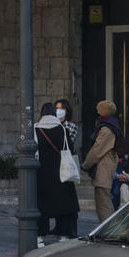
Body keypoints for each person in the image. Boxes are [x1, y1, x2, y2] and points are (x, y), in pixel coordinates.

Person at [34, 103, 80, 247]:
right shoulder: (62, 129)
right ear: (54, 113)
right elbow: (70, 148)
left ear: (42, 113)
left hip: (41, 172)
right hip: (62, 171)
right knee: (63, 204)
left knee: (41, 205)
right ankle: (63, 235)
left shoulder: (35, 129)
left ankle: (40, 236)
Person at [82, 100, 122, 223]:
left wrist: (86, 164)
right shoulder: (110, 125)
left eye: (99, 109)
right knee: (104, 200)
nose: (97, 111)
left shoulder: (106, 129)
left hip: (103, 168)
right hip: (105, 167)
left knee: (103, 202)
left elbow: (97, 150)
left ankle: (108, 229)